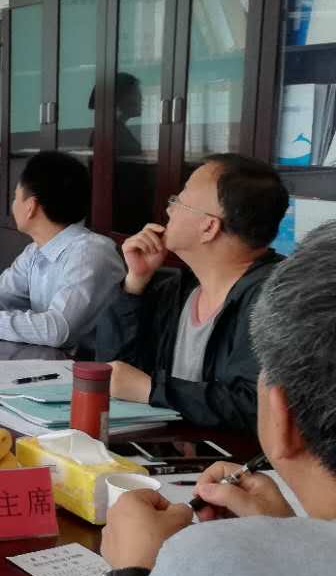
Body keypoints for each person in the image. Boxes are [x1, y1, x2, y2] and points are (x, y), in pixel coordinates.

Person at [67, 220, 336, 576]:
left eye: (180, 198)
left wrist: (132, 575)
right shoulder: (173, 287)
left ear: (280, 413)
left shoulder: (217, 570)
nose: (167, 213)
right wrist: (287, 536)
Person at [95, 153, 288, 430]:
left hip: (226, 456)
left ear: (209, 227)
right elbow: (115, 373)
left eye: (179, 200)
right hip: (163, 446)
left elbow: (256, 407)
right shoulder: (179, 290)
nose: (169, 210)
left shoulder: (278, 299)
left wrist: (151, 390)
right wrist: (135, 284)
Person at [0, 151, 122, 350]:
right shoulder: (35, 251)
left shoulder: (90, 254)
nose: (13, 205)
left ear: (31, 207)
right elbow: (2, 294)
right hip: (49, 361)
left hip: (90, 366)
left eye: (15, 197)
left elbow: (57, 329)